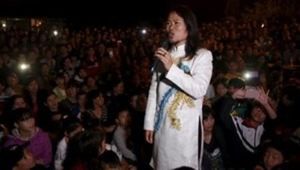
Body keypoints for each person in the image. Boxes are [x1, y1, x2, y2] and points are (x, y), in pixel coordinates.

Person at [144, 5, 213, 170]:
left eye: (176, 23)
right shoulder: (163, 55)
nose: (170, 27)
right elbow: (154, 91)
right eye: (168, 23)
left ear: (189, 26)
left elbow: (199, 90)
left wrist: (172, 69)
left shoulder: (202, 55)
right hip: (162, 127)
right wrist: (149, 123)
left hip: (185, 132)